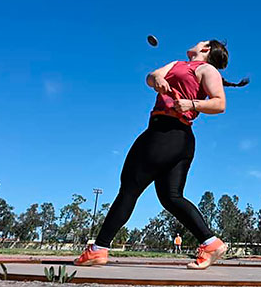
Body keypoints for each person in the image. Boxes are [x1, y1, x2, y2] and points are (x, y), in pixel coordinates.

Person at [74, 40, 247, 270]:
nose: (196, 42)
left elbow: (219, 103)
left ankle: (98, 249)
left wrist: (190, 103)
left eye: (202, 42)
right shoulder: (177, 64)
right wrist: (156, 80)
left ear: (205, 49)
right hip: (178, 141)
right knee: (171, 197)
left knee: (129, 189)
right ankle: (211, 242)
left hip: (166, 134)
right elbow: (152, 76)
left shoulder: (206, 69)